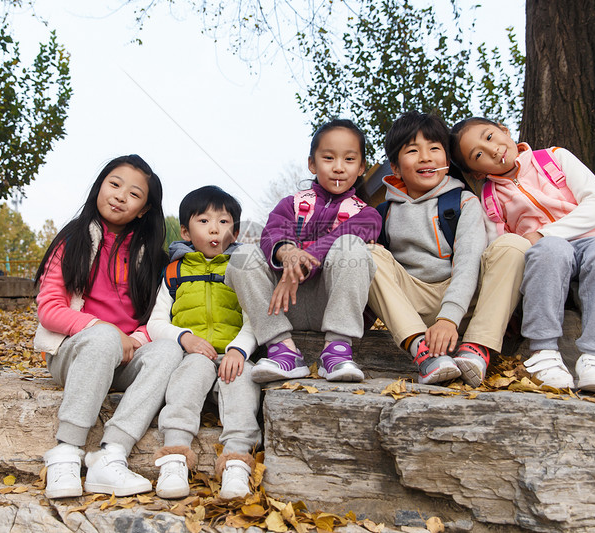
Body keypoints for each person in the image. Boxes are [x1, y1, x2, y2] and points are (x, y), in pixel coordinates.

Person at [449, 117, 595, 395]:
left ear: (505, 130)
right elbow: (501, 249)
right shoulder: (489, 198)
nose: (492, 150)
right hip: (546, 257)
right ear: (476, 172)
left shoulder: (554, 158)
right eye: (478, 155)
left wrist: (544, 233)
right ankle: (544, 354)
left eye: (490, 137)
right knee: (551, 250)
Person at [33, 155, 183, 499]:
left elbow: (156, 318)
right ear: (100, 185)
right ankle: (66, 454)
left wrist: (133, 339)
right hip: (74, 354)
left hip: (127, 358)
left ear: (144, 209)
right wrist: (105, 330)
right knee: (101, 338)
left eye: (134, 194)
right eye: (114, 184)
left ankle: (110, 454)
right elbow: (50, 309)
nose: (119, 196)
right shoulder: (72, 240)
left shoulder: (153, 258)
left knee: (168, 349)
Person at [367, 111, 529, 387]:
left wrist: (448, 319)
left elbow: (468, 263)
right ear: (395, 167)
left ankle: (477, 348)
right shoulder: (383, 212)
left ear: (447, 159)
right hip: (414, 302)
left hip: (465, 302)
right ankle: (424, 352)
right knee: (365, 253)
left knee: (514, 245)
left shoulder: (464, 201)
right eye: (413, 151)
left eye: (434, 149)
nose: (426, 157)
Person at [227, 119, 381, 383]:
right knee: (241, 257)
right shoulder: (291, 204)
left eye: (349, 159)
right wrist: (286, 252)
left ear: (361, 167)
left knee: (351, 248)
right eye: (329, 157)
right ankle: (282, 350)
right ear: (312, 163)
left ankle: (338, 350)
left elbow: (339, 237)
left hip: (332, 304)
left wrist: (300, 260)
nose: (339, 167)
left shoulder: (368, 214)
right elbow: (272, 233)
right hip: (284, 303)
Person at [148, 186, 261, 500]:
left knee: (242, 381)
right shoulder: (174, 272)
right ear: (185, 231)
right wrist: (184, 338)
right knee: (190, 374)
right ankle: (175, 456)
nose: (215, 228)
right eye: (204, 221)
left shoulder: (240, 268)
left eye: (224, 222)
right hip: (193, 354)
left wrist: (239, 349)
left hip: (231, 354)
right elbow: (155, 323)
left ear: (235, 231)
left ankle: (237, 461)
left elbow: (254, 319)